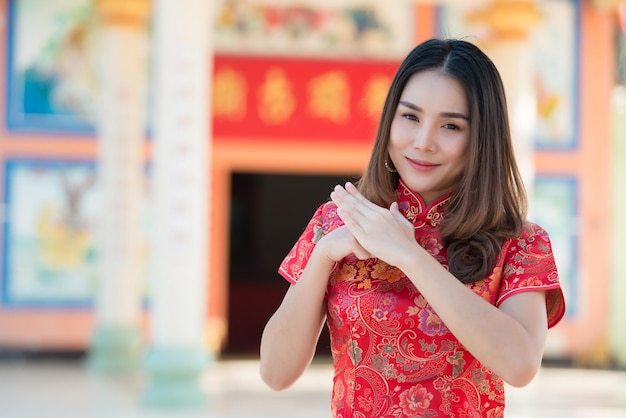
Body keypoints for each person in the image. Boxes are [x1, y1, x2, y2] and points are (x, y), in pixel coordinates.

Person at [259, 38, 566, 417]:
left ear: (482, 138)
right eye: (410, 117)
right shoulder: (338, 220)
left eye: (450, 126)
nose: (423, 143)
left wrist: (410, 255)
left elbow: (520, 365)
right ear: (389, 119)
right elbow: (275, 372)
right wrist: (323, 254)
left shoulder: (519, 242)